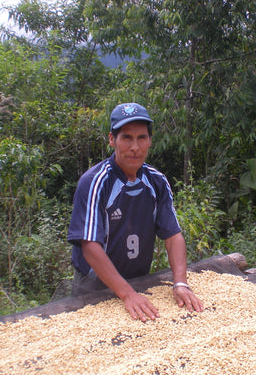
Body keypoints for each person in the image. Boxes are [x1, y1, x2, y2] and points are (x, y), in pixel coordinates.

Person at [67, 102, 204, 321]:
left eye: (141, 137)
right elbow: (89, 246)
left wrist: (180, 283)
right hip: (94, 285)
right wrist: (127, 294)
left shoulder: (156, 181)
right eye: (127, 138)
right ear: (112, 139)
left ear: (150, 141)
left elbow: (172, 235)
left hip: (138, 280)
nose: (135, 147)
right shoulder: (95, 182)